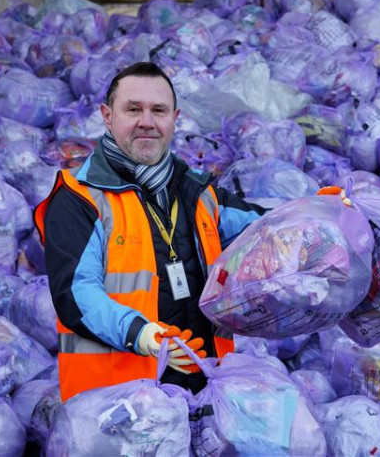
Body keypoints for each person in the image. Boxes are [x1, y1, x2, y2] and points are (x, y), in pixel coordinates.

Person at [34, 62, 265, 401]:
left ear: (175, 118)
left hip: (205, 387)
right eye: (133, 109)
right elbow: (77, 294)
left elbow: (263, 229)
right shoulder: (77, 198)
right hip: (117, 406)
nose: (147, 121)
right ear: (107, 115)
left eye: (158, 110)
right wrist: (141, 334)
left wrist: (322, 213)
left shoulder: (198, 192)